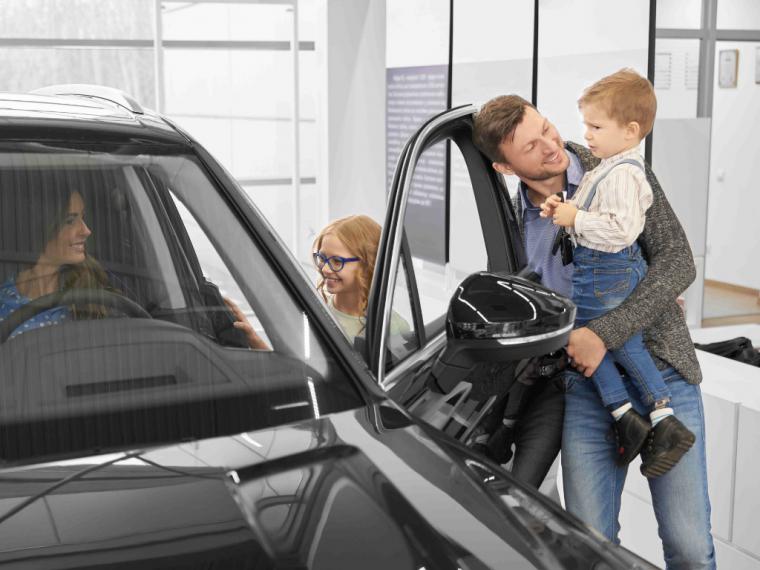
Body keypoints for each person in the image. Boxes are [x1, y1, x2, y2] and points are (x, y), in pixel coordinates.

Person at [473, 92, 715, 567]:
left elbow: (677, 260)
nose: (550, 145)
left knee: (688, 546)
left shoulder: (617, 167)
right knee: (588, 546)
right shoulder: (511, 223)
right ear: (505, 167)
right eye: (530, 146)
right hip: (584, 388)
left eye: (545, 127)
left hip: (663, 371)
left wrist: (606, 330)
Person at [539, 69, 695, 477]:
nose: (586, 135)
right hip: (599, 271)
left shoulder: (626, 172)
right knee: (602, 343)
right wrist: (565, 213)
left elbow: (620, 230)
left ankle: (657, 414)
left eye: (596, 126)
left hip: (608, 270)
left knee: (610, 341)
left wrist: (576, 218)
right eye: (585, 125)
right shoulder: (608, 166)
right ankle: (636, 415)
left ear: (630, 131)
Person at [0, 188, 111, 339]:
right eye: (70, 221)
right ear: (40, 227)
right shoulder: (4, 304)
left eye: (83, 217)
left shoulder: (93, 285)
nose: (86, 230)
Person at [311, 214, 409, 345]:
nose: (325, 269)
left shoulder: (393, 327)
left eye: (337, 261)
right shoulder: (314, 312)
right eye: (322, 258)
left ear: (368, 264)